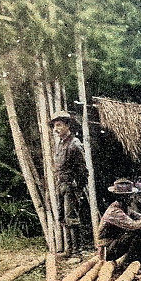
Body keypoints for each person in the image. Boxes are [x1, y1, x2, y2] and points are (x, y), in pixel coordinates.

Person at [97, 178, 141, 264]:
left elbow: (140, 217)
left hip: (114, 244)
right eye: (129, 196)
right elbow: (132, 225)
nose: (132, 197)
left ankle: (138, 259)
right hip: (106, 249)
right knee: (136, 232)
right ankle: (129, 262)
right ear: (121, 197)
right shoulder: (114, 211)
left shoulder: (125, 208)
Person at [51, 112, 88, 261]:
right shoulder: (60, 144)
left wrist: (77, 187)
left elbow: (83, 170)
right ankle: (69, 249)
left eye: (59, 125)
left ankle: (77, 252)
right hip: (61, 184)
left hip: (71, 186)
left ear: (67, 125)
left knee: (72, 218)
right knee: (62, 218)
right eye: (54, 126)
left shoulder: (75, 144)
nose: (56, 129)